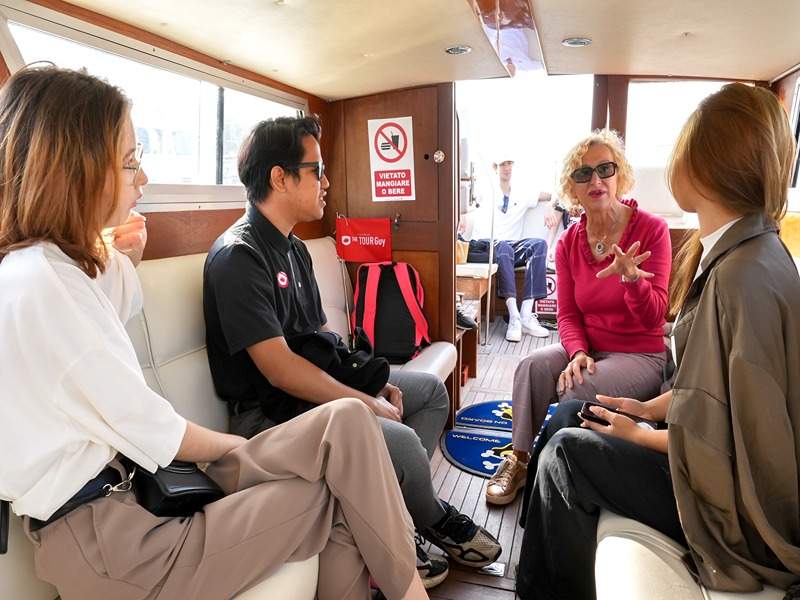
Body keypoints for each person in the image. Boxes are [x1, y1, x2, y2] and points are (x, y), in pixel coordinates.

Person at [0, 66, 429, 600]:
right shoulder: (39, 285)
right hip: (118, 543)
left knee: (346, 422)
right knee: (345, 486)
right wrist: (247, 455)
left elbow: (111, 303)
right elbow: (157, 430)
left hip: (141, 497)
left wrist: (122, 254)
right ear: (75, 168)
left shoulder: (56, 271)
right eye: (131, 161)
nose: (143, 179)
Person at [516, 82, 800, 600]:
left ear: (706, 165)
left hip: (725, 508)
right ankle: (527, 490)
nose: (597, 179)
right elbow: (713, 392)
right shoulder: (742, 255)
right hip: (698, 455)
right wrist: (644, 407)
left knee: (565, 453)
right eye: (585, 173)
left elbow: (739, 441)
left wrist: (642, 433)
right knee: (554, 402)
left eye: (681, 148)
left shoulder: (742, 278)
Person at [203, 116, 502, 589]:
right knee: (399, 441)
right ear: (279, 177)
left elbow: (323, 336)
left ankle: (394, 513)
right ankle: (423, 519)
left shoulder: (295, 249)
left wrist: (369, 379)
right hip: (269, 417)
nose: (327, 181)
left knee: (427, 393)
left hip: (311, 394)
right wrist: (366, 404)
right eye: (316, 169)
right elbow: (280, 371)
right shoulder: (239, 257)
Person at [484, 130, 671, 505]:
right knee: (531, 367)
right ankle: (519, 460)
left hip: (639, 354)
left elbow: (655, 319)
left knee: (575, 389)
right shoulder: (570, 242)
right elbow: (567, 314)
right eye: (584, 174)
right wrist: (577, 352)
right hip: (591, 347)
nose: (596, 180)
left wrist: (632, 280)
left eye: (605, 169)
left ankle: (549, 473)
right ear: (573, 187)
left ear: (621, 175)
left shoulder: (652, 230)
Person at [465, 155, 551, 341]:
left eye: (509, 163)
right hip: (484, 245)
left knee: (538, 245)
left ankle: (526, 316)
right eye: (502, 164)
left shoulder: (522, 193)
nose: (506, 167)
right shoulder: (485, 190)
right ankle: (513, 317)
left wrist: (554, 205)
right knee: (503, 247)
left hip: (509, 247)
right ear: (495, 167)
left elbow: (552, 195)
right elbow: (463, 196)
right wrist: (462, 215)